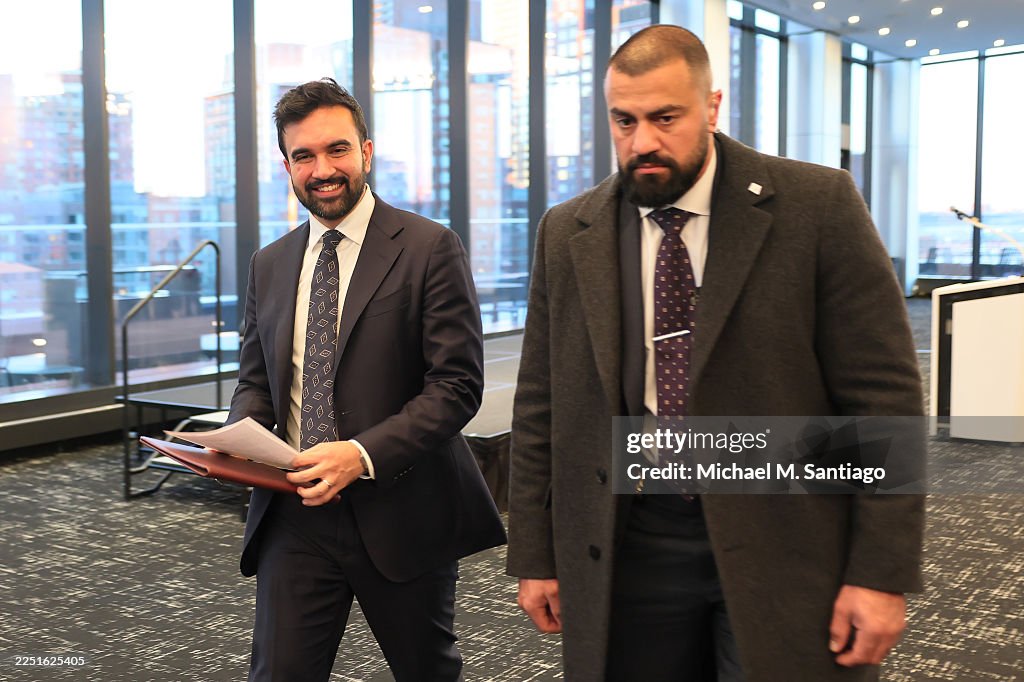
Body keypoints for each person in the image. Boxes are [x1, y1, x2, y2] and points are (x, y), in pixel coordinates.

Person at [507, 25, 924, 682]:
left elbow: (884, 398)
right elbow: (541, 402)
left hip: (785, 533)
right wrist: (535, 552)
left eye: (664, 117)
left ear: (712, 107)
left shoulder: (816, 206)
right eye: (624, 120)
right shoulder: (569, 231)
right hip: (630, 536)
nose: (642, 141)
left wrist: (880, 572)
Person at [227, 77, 506, 682]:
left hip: (400, 505)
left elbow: (456, 385)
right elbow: (256, 381)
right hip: (295, 513)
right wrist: (238, 443)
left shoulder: (429, 247)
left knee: (425, 669)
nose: (322, 169)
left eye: (336, 150)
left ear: (366, 152)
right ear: (287, 165)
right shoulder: (269, 264)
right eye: (304, 156)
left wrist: (359, 455)